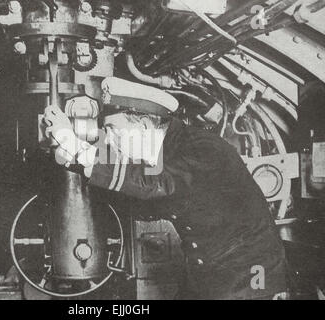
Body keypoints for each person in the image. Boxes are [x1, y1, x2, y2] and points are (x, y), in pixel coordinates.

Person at [43, 77, 287, 300]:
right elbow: (143, 199)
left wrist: (78, 149)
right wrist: (74, 153)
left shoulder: (203, 148)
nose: (112, 142)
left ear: (145, 126)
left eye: (115, 132)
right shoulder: (162, 153)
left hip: (250, 275)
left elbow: (153, 184)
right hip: (208, 272)